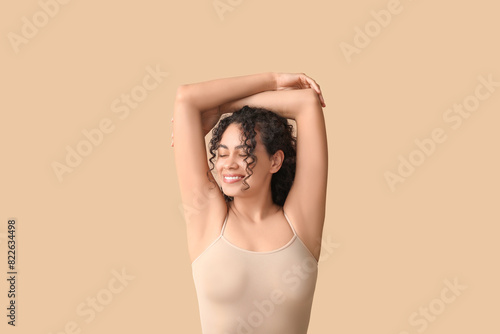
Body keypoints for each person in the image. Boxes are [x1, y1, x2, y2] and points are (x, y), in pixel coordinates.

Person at [172, 72, 328, 334]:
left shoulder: (300, 223)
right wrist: (273, 81)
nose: (228, 164)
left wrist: (226, 108)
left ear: (275, 162)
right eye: (222, 154)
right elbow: (187, 99)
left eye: (244, 153)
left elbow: (307, 103)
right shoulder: (207, 217)